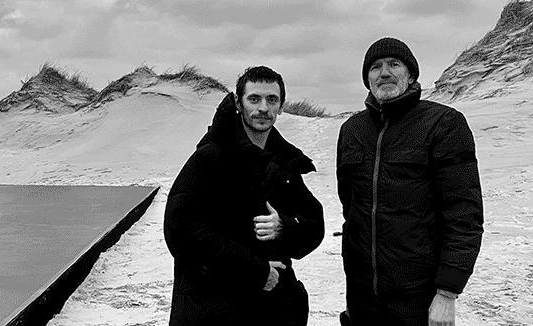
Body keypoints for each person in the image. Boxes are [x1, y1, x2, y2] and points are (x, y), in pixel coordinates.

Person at [336, 37, 484, 326]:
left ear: (411, 74)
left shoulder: (444, 123)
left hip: (419, 296)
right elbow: (351, 212)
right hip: (362, 295)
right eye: (375, 67)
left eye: (394, 64)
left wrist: (447, 292)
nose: (385, 72)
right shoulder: (352, 129)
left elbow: (464, 215)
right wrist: (351, 291)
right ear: (367, 79)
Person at [164, 65, 325, 326]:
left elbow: (315, 226)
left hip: (270, 310)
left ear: (281, 106)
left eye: (272, 100)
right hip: (212, 307)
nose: (263, 108)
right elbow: (180, 230)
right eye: (254, 99)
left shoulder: (283, 163)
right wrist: (255, 271)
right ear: (239, 103)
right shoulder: (210, 158)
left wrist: (284, 226)